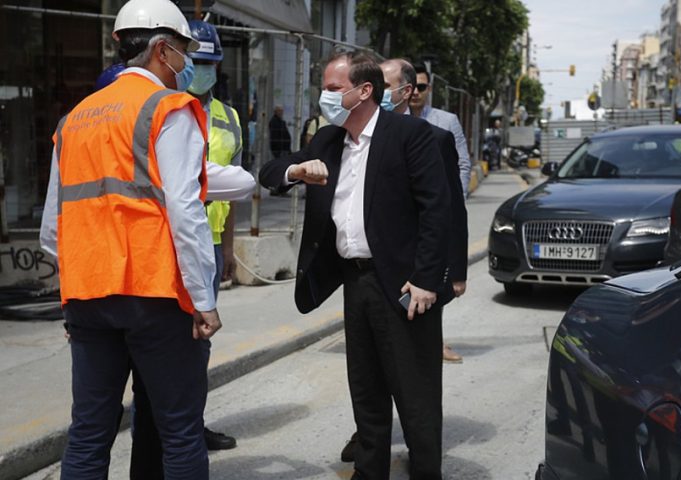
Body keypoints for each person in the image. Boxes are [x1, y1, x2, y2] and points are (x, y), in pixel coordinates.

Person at [39, 0, 220, 478]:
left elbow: (52, 228)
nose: (186, 64)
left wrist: (75, 292)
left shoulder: (73, 119)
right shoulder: (168, 108)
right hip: (154, 294)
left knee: (88, 432)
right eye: (183, 52)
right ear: (162, 50)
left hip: (87, 296)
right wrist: (203, 298)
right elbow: (185, 212)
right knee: (179, 432)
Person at [260, 52, 451, 480]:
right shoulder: (329, 140)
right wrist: (297, 169)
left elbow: (437, 211)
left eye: (333, 88)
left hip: (403, 285)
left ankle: (426, 472)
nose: (324, 97)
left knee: (415, 394)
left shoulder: (409, 135)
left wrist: (425, 279)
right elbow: (270, 172)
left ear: (364, 90)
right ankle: (369, 471)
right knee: (365, 387)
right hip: (355, 281)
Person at [127, 19, 255, 478]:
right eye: (195, 60)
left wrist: (227, 247)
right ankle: (175, 431)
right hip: (165, 247)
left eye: (210, 63)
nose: (200, 70)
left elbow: (227, 187)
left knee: (194, 354)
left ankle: (189, 424)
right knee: (163, 358)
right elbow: (184, 194)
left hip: (207, 241)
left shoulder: (228, 117)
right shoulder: (161, 109)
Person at [409, 63, 472, 198]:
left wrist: (459, 198)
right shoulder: (394, 120)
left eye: (421, 87)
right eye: (412, 87)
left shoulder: (448, 121)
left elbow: (462, 164)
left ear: (429, 89)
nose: (415, 92)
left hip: (440, 200)